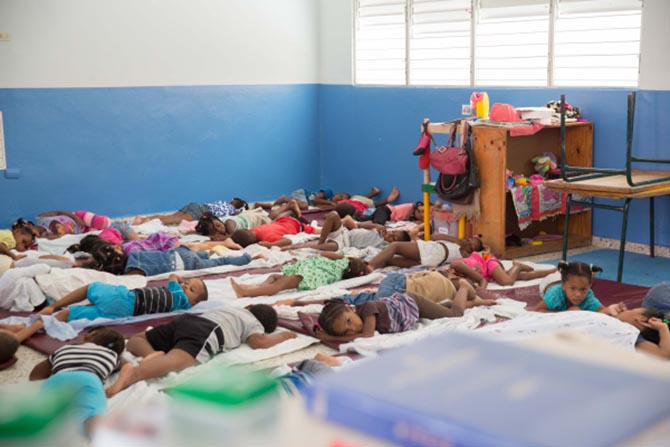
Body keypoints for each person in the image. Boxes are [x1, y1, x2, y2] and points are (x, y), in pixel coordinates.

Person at [105, 304, 297, 397]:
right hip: (206, 332)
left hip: (190, 321)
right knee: (178, 359)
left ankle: (150, 356)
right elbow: (259, 342)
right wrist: (284, 336)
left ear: (249, 307)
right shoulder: (254, 324)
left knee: (138, 338)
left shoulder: (232, 308)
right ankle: (134, 373)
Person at [28, 327, 125, 435]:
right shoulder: (113, 355)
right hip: (89, 379)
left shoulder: (65, 349)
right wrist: (117, 385)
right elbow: (128, 366)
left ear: (91, 334)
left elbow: (34, 376)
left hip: (59, 378)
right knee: (91, 416)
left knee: (46, 413)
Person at [313, 290, 470, 343]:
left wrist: (329, 339)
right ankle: (472, 302)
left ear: (349, 308)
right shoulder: (359, 316)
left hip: (413, 304)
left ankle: (463, 287)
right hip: (408, 313)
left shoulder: (367, 309)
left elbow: (367, 336)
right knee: (442, 310)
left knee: (455, 315)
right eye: (347, 331)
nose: (354, 328)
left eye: (349, 321)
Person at [38, 274, 208, 322]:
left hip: (126, 299)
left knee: (90, 288)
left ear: (194, 302)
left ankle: (54, 307)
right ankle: (50, 321)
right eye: (186, 283)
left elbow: (172, 276)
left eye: (191, 289)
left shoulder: (180, 296)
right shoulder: (182, 307)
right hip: (123, 313)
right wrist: (186, 285)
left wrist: (178, 279)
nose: (185, 286)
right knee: (75, 314)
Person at [230, 253, 371, 298]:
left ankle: (246, 293)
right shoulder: (342, 271)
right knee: (273, 277)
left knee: (279, 285)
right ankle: (257, 288)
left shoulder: (343, 261)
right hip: (309, 272)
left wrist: (348, 257)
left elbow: (325, 254)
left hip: (309, 274)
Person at [286, 211, 410, 252]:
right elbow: (359, 224)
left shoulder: (384, 247)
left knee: (321, 248)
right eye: (393, 233)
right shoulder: (379, 231)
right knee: (333, 215)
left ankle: (295, 248)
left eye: (394, 238)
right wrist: (376, 226)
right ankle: (320, 242)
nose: (391, 236)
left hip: (345, 244)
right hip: (344, 232)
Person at [534, 261, 625, 315]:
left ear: (589, 287)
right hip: (550, 282)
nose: (578, 294)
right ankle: (555, 270)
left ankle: (564, 270)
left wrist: (611, 309)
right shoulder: (555, 295)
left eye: (583, 289)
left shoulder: (588, 295)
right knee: (555, 274)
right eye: (573, 289)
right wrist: (564, 314)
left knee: (577, 279)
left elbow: (601, 311)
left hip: (567, 280)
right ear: (563, 286)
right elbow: (538, 310)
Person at [367, 234, 484, 270]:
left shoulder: (464, 252)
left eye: (471, 245)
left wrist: (459, 241)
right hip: (432, 260)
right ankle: (363, 269)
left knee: (395, 246)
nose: (468, 243)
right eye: (468, 240)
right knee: (390, 260)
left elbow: (480, 257)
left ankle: (370, 265)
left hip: (433, 251)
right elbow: (435, 236)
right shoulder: (457, 244)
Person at [230, 201, 315, 248]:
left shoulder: (267, 238)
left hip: (295, 226)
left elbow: (288, 240)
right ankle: (290, 211)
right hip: (282, 221)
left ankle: (291, 211)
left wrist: (271, 245)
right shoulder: (253, 230)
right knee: (274, 221)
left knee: (315, 231)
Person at [450, 253, 557, 289]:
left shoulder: (455, 265)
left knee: (506, 282)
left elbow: (482, 281)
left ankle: (517, 266)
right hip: (487, 272)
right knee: (521, 276)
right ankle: (551, 271)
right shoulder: (460, 279)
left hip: (486, 260)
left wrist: (481, 287)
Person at [132, 198, 248, 225]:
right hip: (201, 211)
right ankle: (143, 222)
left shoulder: (223, 203)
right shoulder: (230, 211)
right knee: (173, 220)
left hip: (197, 205)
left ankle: (142, 219)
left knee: (170, 217)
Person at [195, 208, 272, 241]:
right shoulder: (214, 222)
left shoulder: (228, 223)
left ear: (219, 220)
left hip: (253, 219)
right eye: (214, 231)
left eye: (218, 225)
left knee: (271, 218)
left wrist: (219, 238)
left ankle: (283, 208)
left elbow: (234, 235)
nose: (219, 230)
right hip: (242, 216)